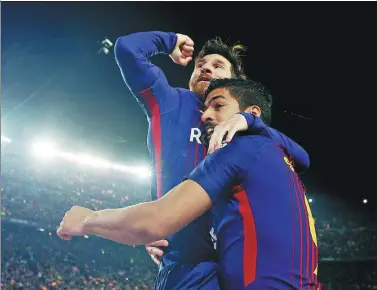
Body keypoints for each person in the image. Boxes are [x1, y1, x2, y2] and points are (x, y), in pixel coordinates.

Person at [86, 31, 309, 289]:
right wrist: (170, 41)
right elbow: (126, 48)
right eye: (200, 65)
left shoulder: (245, 124)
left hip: (237, 256)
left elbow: (301, 158)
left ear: (237, 82)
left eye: (217, 66)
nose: (205, 69)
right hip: (187, 262)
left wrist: (249, 121)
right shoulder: (171, 101)